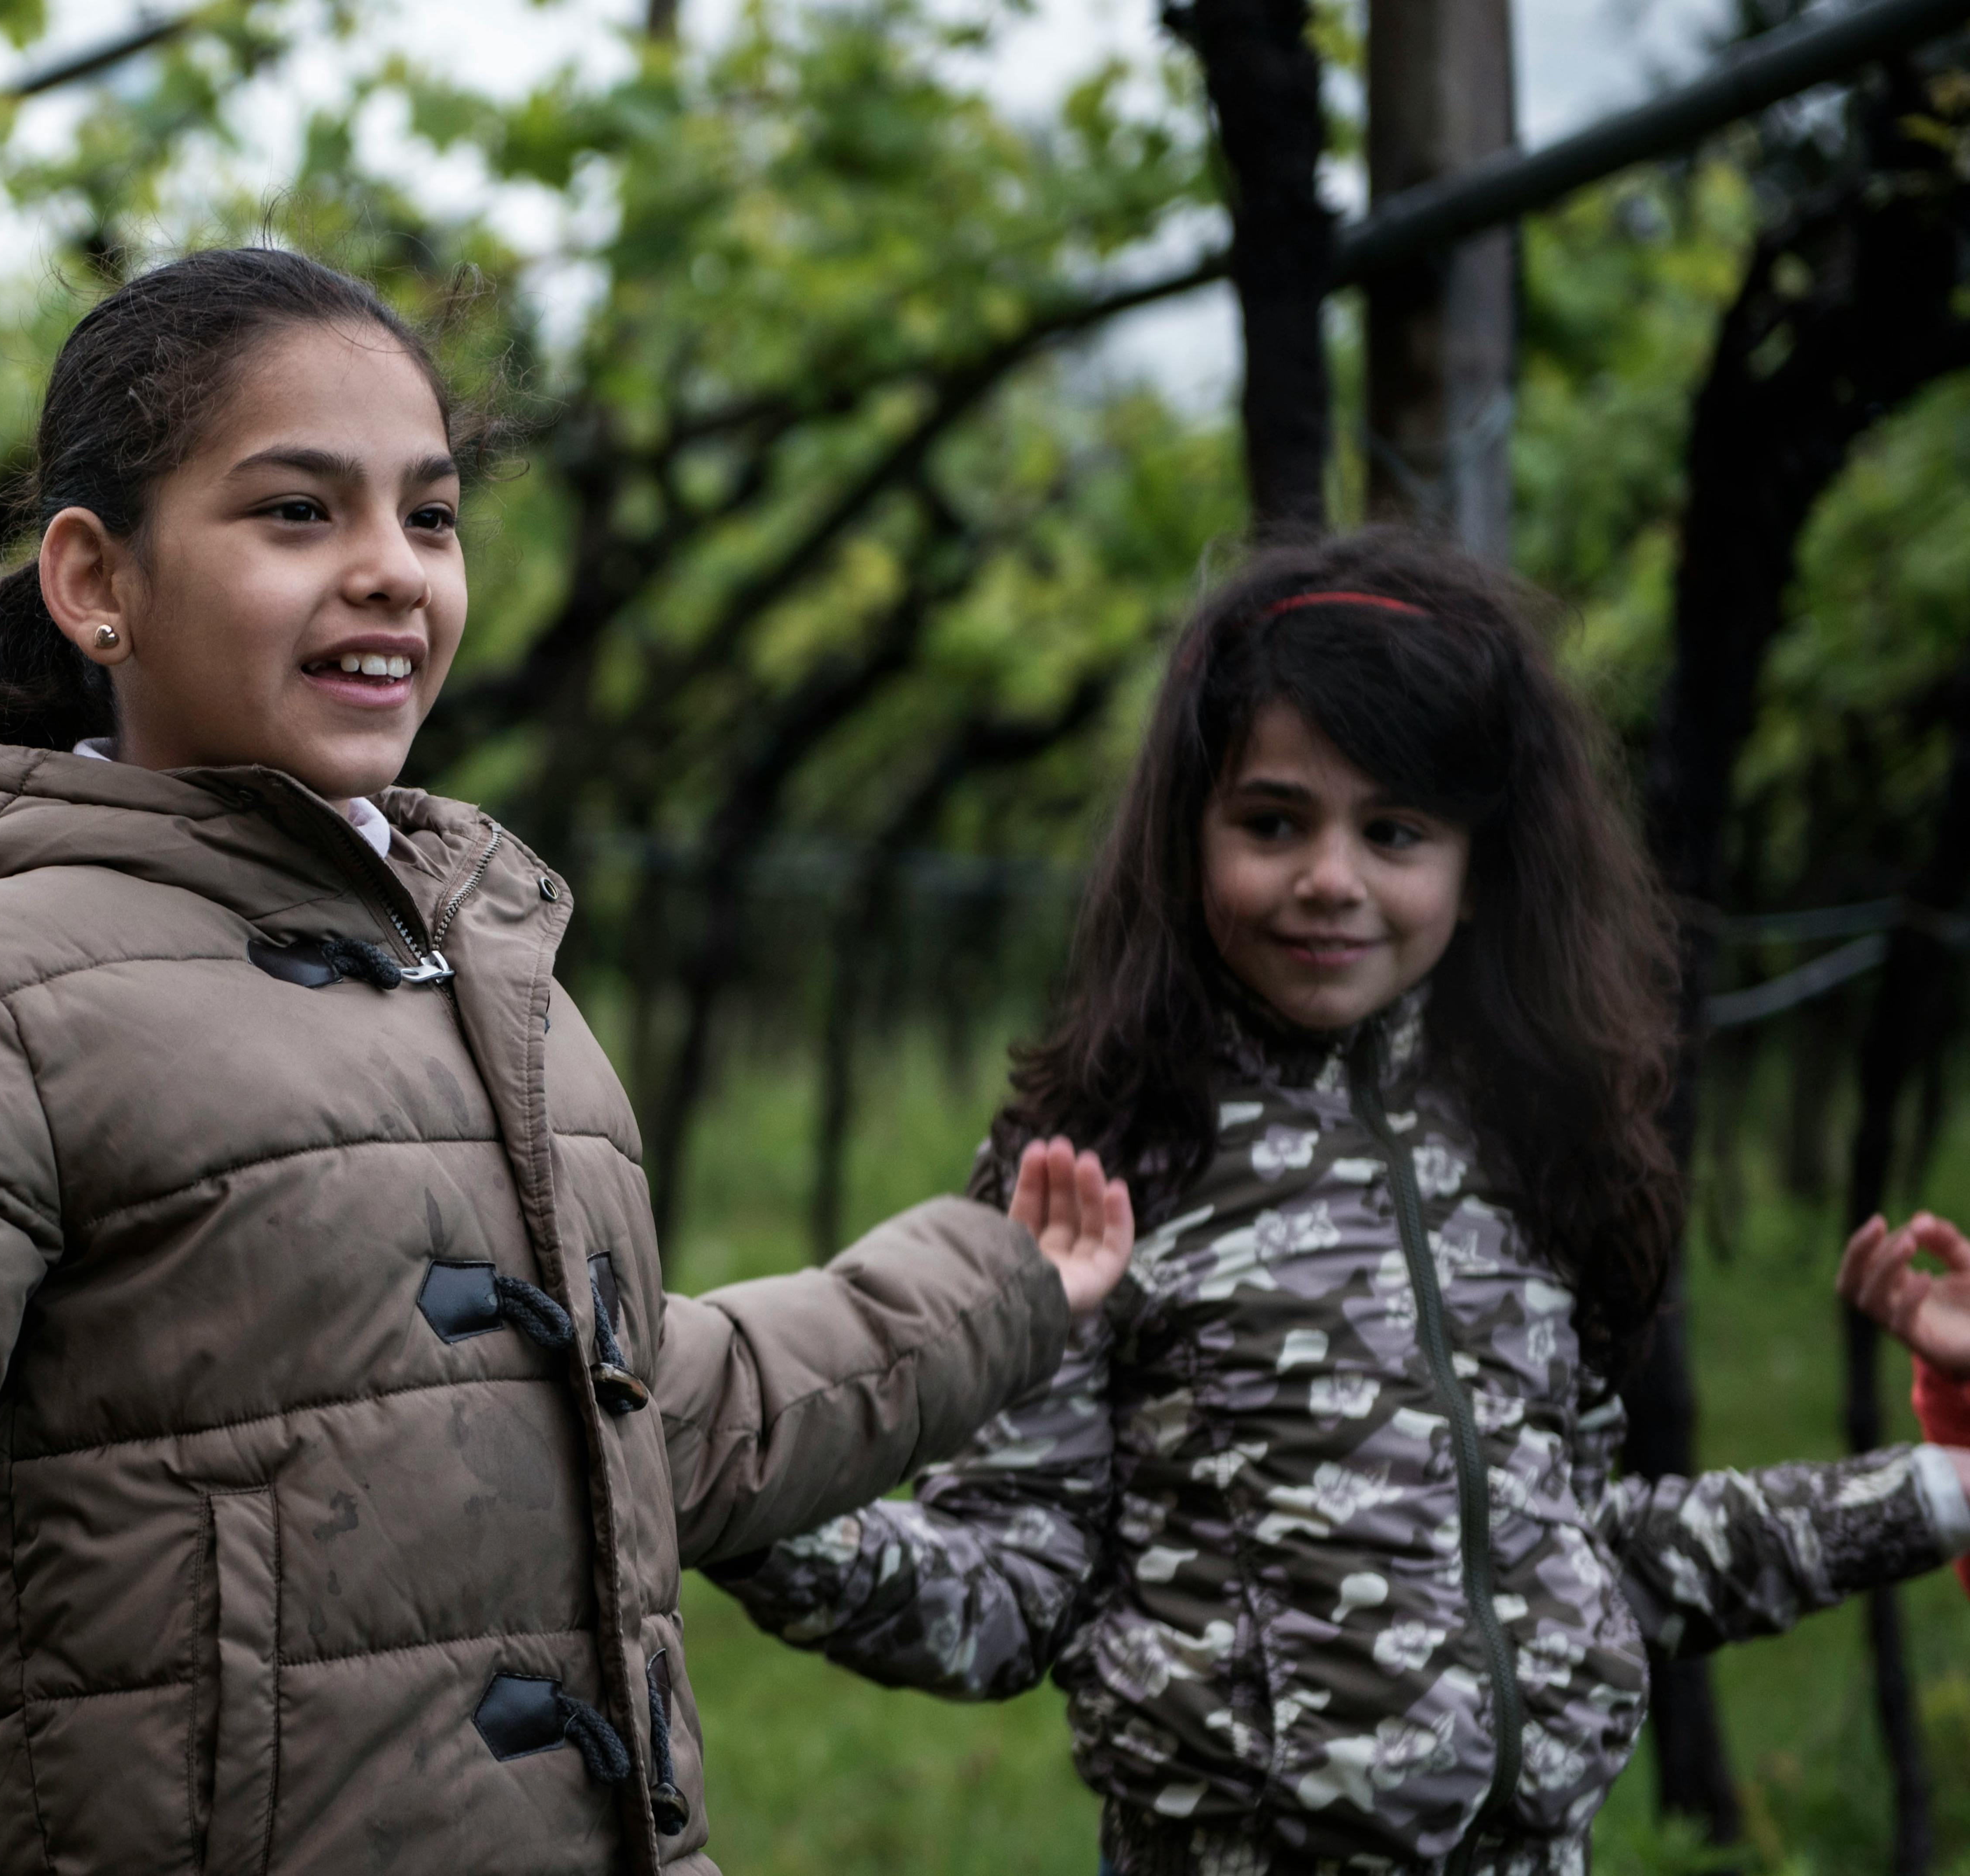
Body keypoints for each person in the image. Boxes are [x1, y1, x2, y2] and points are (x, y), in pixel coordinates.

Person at [0, 244, 1126, 1873]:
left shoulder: (492, 973)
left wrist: (990, 1279)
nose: (389, 576)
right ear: (96, 583)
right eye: (293, 514)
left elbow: (635, 1417)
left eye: (428, 517)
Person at [714, 532, 1970, 1875]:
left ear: (1480, 863)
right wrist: (723, 1485)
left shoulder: (1543, 1151)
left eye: (1396, 832)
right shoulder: (1108, 1166)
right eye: (1273, 822)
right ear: (1189, 839)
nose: (1331, 878)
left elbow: (1587, 1557)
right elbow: (1013, 1586)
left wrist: (1942, 1488)